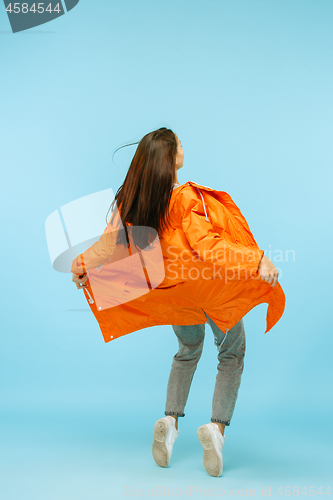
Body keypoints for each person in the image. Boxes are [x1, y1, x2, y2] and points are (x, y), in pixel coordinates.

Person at [71, 127, 284, 478]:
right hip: (208, 288)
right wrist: (256, 260)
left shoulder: (132, 199)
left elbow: (109, 246)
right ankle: (216, 429)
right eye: (180, 145)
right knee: (231, 352)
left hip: (175, 293)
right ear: (170, 158)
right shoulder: (185, 198)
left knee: (187, 351)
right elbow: (208, 247)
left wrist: (80, 265)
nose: (184, 148)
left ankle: (169, 421)